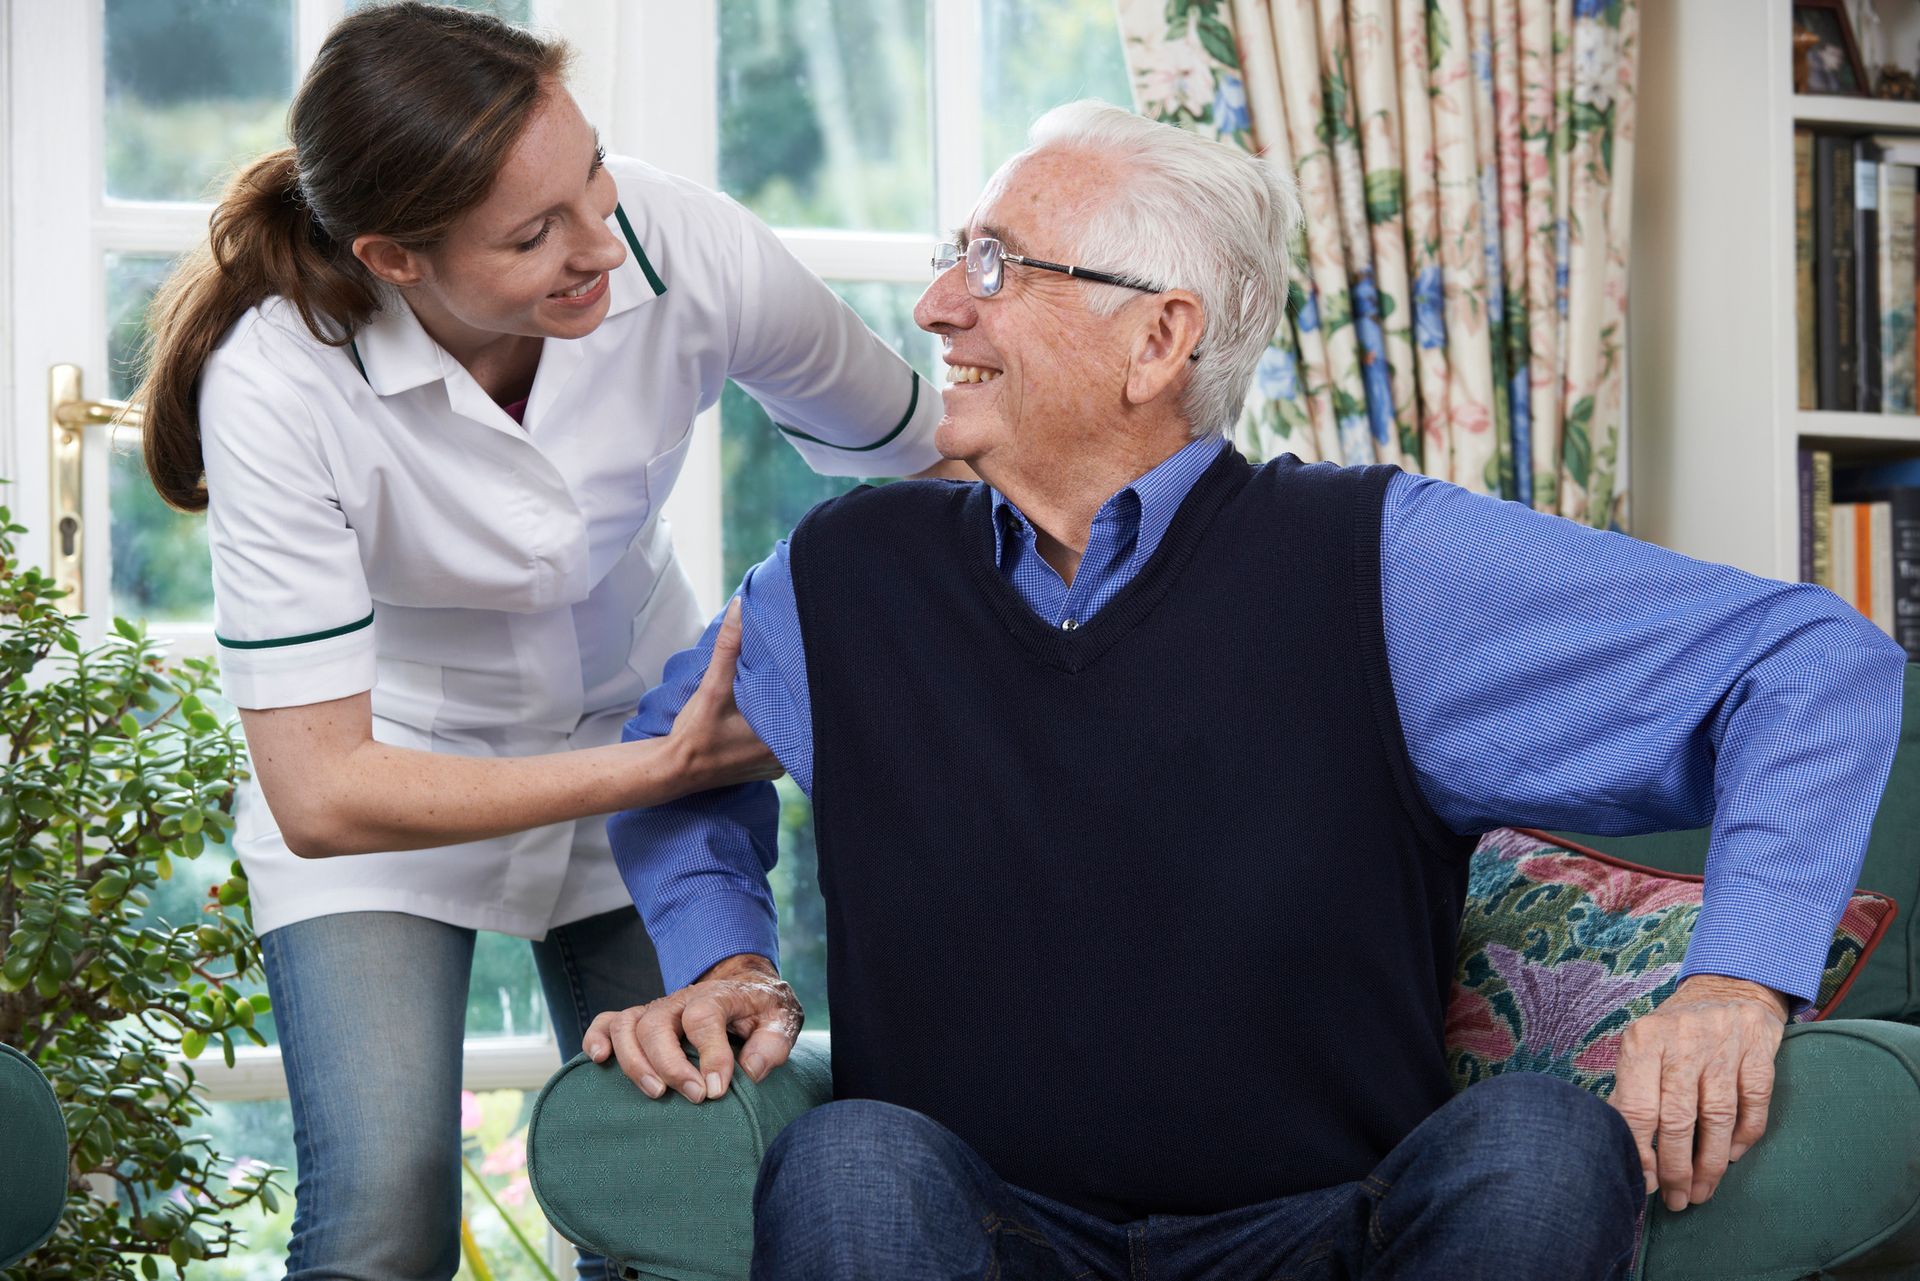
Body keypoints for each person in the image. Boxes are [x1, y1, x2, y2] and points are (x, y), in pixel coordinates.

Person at [584, 102, 1907, 1280]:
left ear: (1158, 339)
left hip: (1336, 1229)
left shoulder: (1387, 561)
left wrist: (1737, 979)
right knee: (852, 1159)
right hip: (985, 1227)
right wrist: (724, 956)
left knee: (1545, 1145)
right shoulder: (847, 571)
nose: (936, 307)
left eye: (995, 266)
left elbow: (1812, 663)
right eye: (949, 257)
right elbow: (671, 746)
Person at [131, 5, 949, 1278]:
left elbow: (927, 464)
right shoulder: (279, 379)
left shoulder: (679, 243)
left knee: (674, 1193)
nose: (600, 246)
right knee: (380, 1217)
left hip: (637, 720)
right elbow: (323, 792)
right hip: (394, 775)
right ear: (396, 257)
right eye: (533, 235)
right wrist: (664, 767)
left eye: (594, 177)